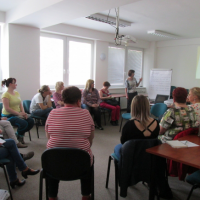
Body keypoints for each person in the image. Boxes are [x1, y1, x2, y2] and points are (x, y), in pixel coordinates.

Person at [45, 86, 94, 200]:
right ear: (78, 101)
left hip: (54, 163)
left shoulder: (52, 113)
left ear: (63, 100)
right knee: (88, 157)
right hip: (81, 164)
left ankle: (52, 197)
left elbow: (48, 137)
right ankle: (85, 196)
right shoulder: (86, 114)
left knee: (52, 157)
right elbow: (90, 139)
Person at [1, 78, 34, 144]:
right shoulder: (5, 95)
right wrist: (19, 114)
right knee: (23, 123)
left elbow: (20, 104)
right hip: (8, 115)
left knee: (31, 121)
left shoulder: (16, 93)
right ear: (10, 84)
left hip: (18, 113)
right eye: (14, 83)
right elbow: (7, 108)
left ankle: (18, 135)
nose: (16, 84)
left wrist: (23, 113)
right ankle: (19, 137)